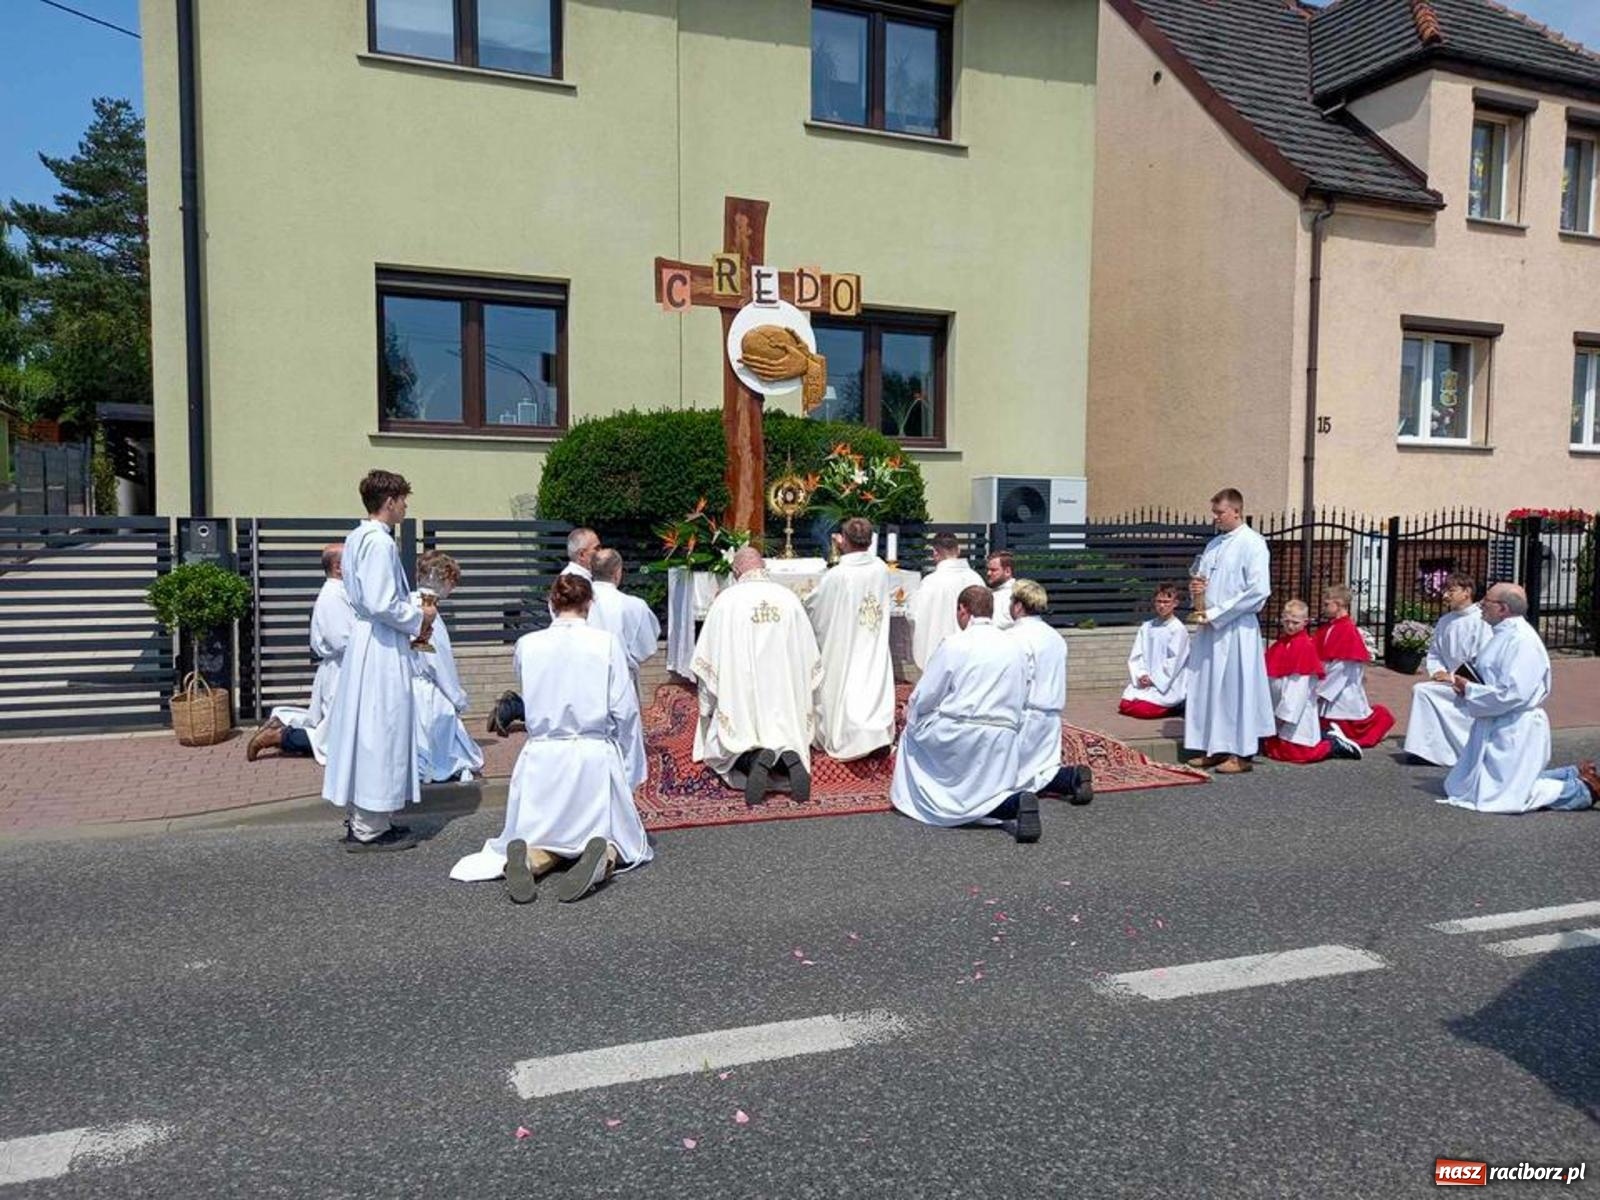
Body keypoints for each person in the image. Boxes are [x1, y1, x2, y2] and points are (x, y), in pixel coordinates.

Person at [449, 574, 651, 903]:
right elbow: (625, 711)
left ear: (552, 604)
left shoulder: (528, 644)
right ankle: (601, 858)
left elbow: (528, 686)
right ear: (589, 604)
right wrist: (629, 763)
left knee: (543, 832)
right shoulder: (606, 643)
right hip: (591, 753)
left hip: (542, 754)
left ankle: (528, 859)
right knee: (619, 839)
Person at [321, 469, 434, 852]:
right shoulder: (380, 543)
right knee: (381, 728)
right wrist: (420, 616)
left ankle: (371, 817)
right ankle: (370, 826)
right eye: (403, 500)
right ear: (389, 502)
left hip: (369, 640)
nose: (405, 507)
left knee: (371, 727)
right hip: (382, 645)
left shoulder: (357, 538)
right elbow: (382, 602)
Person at [891, 586, 1038, 842]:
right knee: (989, 793)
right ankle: (1012, 803)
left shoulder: (955, 644)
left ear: (962, 610)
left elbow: (928, 694)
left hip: (960, 733)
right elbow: (1025, 690)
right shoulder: (1016, 646)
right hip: (1004, 735)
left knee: (911, 735)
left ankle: (928, 802)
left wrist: (910, 715)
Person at [692, 547, 822, 805]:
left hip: (740, 695)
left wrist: (706, 708)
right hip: (783, 696)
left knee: (725, 745)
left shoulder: (726, 601)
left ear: (736, 570)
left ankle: (754, 758)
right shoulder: (789, 598)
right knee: (786, 731)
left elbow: (706, 663)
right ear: (764, 568)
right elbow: (811, 659)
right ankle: (787, 756)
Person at [1441, 584, 1576, 814]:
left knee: (1506, 797)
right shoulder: (1502, 634)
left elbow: (1514, 693)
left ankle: (1581, 790)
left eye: (1487, 600)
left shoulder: (1522, 641)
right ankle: (1570, 775)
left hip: (1514, 726)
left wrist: (1471, 690)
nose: (1480, 604)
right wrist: (1469, 684)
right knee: (1468, 786)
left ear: (1503, 608)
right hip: (1497, 721)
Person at [1184, 487, 1274, 774]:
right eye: (1214, 513)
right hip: (1210, 629)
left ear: (1237, 510)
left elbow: (1258, 591)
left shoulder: (1253, 543)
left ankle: (1242, 752)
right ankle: (1214, 747)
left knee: (1236, 690)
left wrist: (1215, 613)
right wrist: (1197, 594)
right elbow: (1203, 581)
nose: (1216, 518)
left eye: (1220, 513)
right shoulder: (1213, 546)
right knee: (1208, 688)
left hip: (1236, 629)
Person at [248, 543, 355, 763]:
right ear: (338, 567)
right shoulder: (332, 597)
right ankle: (281, 736)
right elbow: (342, 640)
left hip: (345, 669)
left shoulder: (343, 592)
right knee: (338, 739)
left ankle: (283, 720)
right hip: (341, 670)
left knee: (343, 730)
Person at [805, 518, 895, 760]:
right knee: (872, 679)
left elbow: (817, 607)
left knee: (845, 681)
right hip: (871, 636)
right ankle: (877, 733)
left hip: (845, 640)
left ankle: (853, 738)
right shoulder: (880, 568)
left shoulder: (839, 575)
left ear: (842, 540)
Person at [1009, 580, 1092, 803]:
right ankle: (1071, 777)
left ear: (1018, 606)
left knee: (1014, 775)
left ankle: (1019, 803)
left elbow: (1016, 679)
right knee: (1042, 769)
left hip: (1025, 712)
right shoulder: (1055, 636)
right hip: (1052, 713)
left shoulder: (1015, 637)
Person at [409, 551, 484, 785]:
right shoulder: (428, 611)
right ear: (445, 579)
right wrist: (456, 696)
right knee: (439, 736)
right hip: (427, 688)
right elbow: (437, 660)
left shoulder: (407, 602)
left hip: (407, 682)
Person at [1403, 574, 1492, 766]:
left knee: (1422, 691)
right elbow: (1435, 653)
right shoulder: (1445, 621)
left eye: (1451, 591)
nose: (1445, 595)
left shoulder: (1481, 621)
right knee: (1422, 691)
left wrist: (1454, 676)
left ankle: (1456, 749)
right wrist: (1437, 672)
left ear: (1467, 592)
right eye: (1445, 590)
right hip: (1449, 679)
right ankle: (1425, 749)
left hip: (1472, 682)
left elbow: (1481, 657)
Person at [1260, 600, 1362, 764]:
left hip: (1297, 709)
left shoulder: (1304, 646)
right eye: (1286, 622)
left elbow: (1299, 688)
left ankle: (1334, 744)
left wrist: (1285, 714)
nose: (1290, 626)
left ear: (1305, 623)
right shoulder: (1280, 644)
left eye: (1295, 622)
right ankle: (1325, 734)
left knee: (1300, 754)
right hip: (1281, 705)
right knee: (1275, 749)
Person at [1313, 583, 1395, 748]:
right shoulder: (1331, 627)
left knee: (1348, 727)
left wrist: (1322, 690)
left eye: (1327, 604)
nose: (1323, 607)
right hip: (1328, 681)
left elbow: (1343, 668)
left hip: (1341, 687)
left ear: (1339, 604)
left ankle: (1381, 722)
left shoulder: (1347, 629)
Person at [907, 532, 984, 671]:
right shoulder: (976, 579)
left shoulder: (930, 582)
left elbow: (914, 616)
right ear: (959, 550)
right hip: (971, 657)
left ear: (935, 552)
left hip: (939, 654)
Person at [587, 548, 662, 691]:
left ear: (592, 570)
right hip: (621, 681)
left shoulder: (578, 601)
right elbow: (648, 646)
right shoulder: (634, 605)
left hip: (586, 679)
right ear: (617, 572)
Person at [1117, 583, 1189, 719]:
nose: (1162, 606)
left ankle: (1176, 706)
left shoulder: (1177, 629)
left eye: (1166, 602)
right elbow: (1138, 654)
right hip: (1147, 681)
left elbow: (1174, 661)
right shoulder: (1147, 626)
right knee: (1125, 705)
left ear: (1175, 603)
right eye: (1159, 601)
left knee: (1142, 711)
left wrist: (1155, 679)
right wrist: (1141, 674)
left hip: (1166, 684)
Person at [986, 551, 1017, 630]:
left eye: (993, 570)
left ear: (1007, 571)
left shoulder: (1014, 595)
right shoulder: (990, 592)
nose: (988, 573)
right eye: (988, 569)